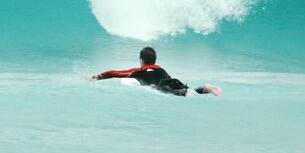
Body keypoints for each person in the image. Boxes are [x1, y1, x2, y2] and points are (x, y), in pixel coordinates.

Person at [89, 47, 222, 97]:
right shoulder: (160, 68)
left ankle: (190, 92)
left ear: (141, 60)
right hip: (172, 80)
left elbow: (113, 73)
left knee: (175, 92)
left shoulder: (139, 71)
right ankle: (205, 88)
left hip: (161, 85)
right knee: (186, 88)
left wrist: (96, 77)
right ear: (155, 59)